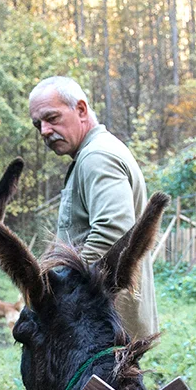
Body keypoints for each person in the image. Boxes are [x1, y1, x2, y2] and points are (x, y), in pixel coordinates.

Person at [28, 76, 158, 339]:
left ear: (81, 110)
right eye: (37, 124)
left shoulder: (97, 157)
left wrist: (62, 291)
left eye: (52, 118)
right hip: (99, 321)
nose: (43, 130)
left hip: (103, 328)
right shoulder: (91, 154)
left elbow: (112, 234)